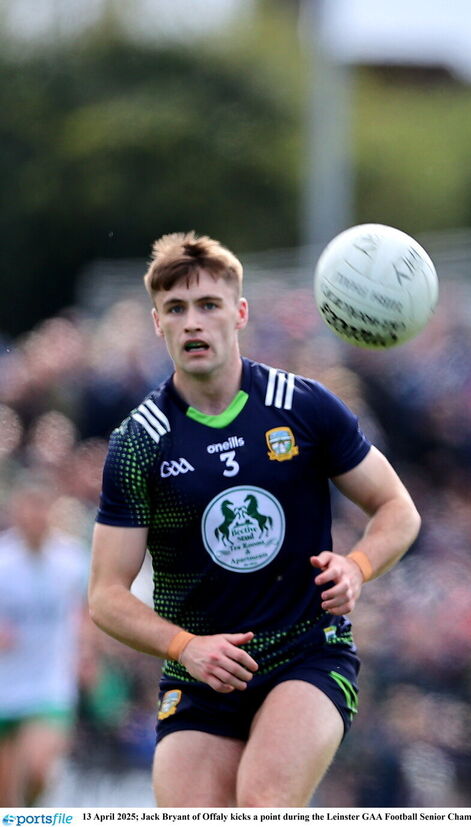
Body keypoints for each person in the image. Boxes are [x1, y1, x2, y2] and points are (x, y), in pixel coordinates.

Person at [89, 232, 421, 807]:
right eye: (176, 309)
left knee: (264, 802)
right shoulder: (138, 444)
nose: (193, 323)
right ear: (157, 323)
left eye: (209, 306)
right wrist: (185, 646)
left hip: (306, 654)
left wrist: (359, 567)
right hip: (201, 680)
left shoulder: (304, 407)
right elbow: (105, 597)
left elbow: (397, 509)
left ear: (239, 313)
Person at [0, 475, 89, 806]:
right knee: (5, 797)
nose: (34, 516)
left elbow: (86, 608)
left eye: (41, 508)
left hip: (49, 685)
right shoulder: (3, 561)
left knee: (38, 770)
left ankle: (33, 811)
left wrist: (87, 653)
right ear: (15, 511)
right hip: (5, 686)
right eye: (28, 508)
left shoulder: (70, 559)